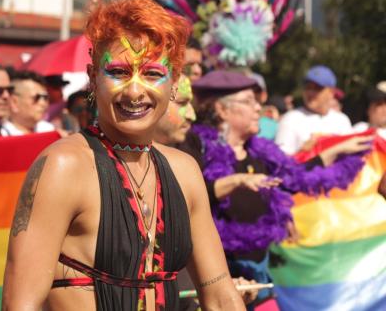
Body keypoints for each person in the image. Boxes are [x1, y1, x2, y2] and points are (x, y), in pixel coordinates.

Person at [2, 0, 246, 310]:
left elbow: (221, 294)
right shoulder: (63, 167)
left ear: (174, 82)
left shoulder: (184, 171)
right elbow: (18, 305)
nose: (134, 91)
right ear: (93, 78)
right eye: (118, 71)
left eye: (152, 73)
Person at [177, 70, 372, 309]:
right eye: (249, 102)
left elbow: (293, 177)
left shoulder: (258, 151)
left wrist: (335, 151)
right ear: (222, 110)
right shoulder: (196, 146)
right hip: (214, 279)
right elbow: (186, 196)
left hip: (258, 275)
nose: (259, 108)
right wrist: (234, 181)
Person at [154, 75, 258, 310]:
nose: (191, 114)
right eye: (181, 102)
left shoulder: (186, 166)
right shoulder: (80, 165)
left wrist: (225, 290)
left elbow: (216, 290)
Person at [276, 65, 353, 155]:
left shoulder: (342, 121)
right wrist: (303, 152)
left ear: (331, 92)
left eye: (317, 88)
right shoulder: (291, 119)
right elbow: (279, 162)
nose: (311, 92)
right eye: (308, 87)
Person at [2, 71, 55, 136]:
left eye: (45, 98)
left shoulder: (49, 130)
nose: (43, 103)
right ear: (14, 102)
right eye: (37, 97)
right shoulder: (1, 134)